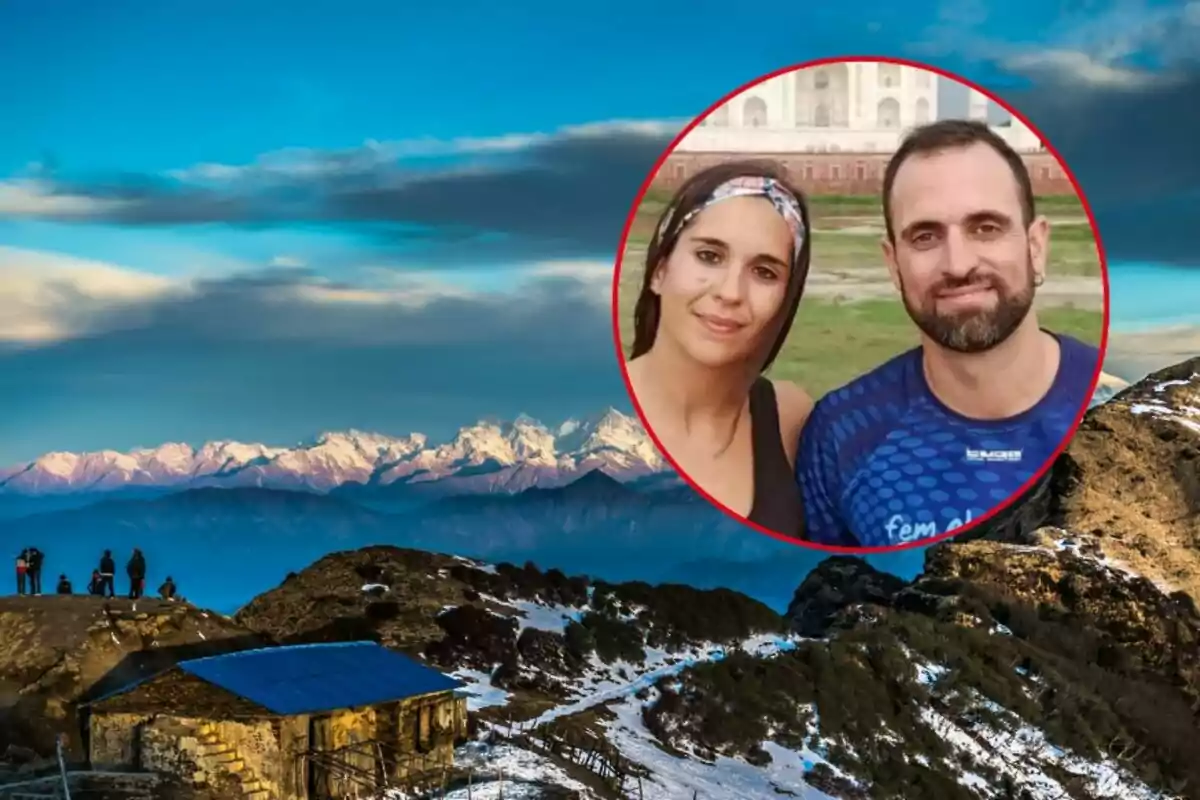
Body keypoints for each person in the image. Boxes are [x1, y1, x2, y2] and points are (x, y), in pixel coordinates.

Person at [797, 119, 1101, 548]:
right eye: (925, 236)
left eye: (986, 228)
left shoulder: (1117, 410)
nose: (958, 264)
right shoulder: (844, 433)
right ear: (893, 264)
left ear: (1036, 247)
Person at [623, 161, 815, 535]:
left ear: (785, 301)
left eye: (765, 272)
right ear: (660, 270)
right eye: (709, 256)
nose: (730, 292)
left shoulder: (791, 419)